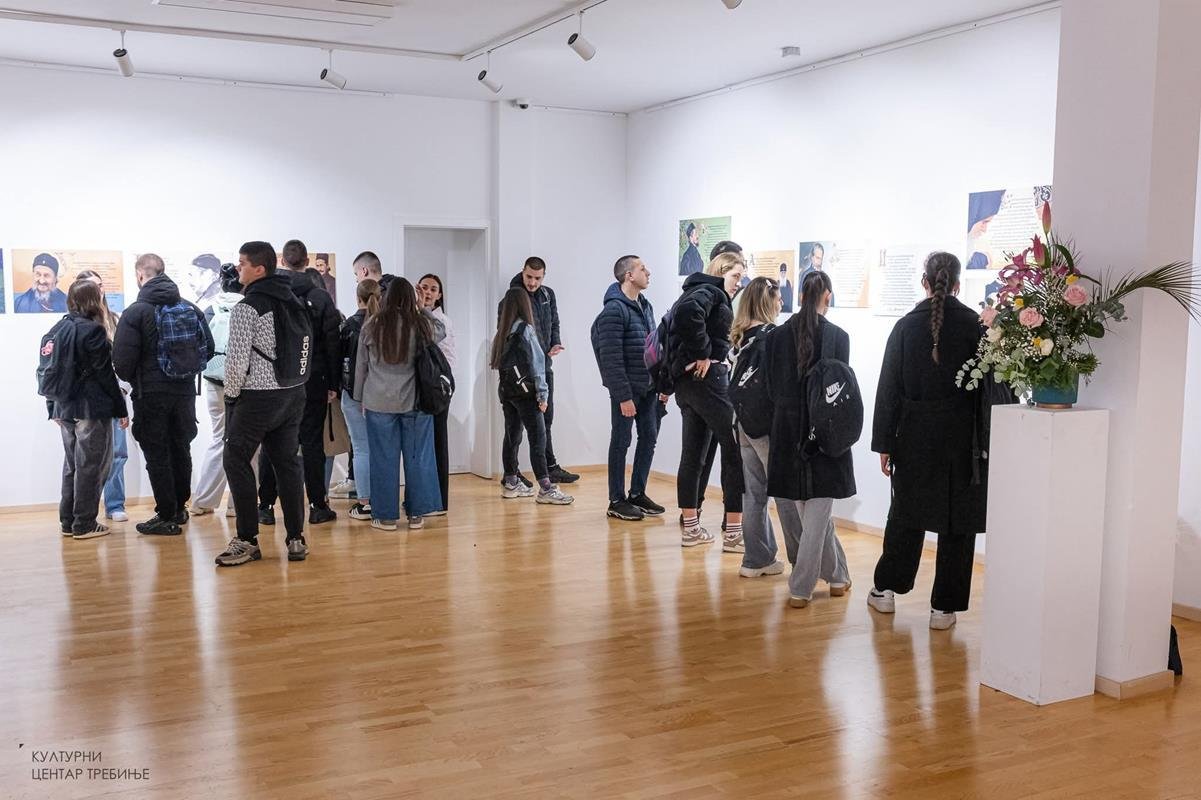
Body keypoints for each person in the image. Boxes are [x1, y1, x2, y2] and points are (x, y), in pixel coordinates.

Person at [869, 252, 989, 630]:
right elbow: (989, 391)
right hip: (963, 441)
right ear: (957, 284)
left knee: (906, 515)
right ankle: (943, 609)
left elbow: (888, 389)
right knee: (957, 522)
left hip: (913, 438)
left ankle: (886, 590)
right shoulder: (976, 326)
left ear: (925, 282)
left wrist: (884, 443)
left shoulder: (905, 327)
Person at [215, 241, 312, 566]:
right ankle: (296, 538)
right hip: (293, 393)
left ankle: (247, 539)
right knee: (287, 464)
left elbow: (236, 361)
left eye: (242, 263)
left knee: (235, 459)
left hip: (257, 397)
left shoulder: (248, 307)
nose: (237, 268)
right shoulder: (293, 299)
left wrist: (231, 396)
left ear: (259, 269)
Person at [762, 271, 854, 607]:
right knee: (817, 513)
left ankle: (838, 576)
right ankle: (801, 586)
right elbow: (840, 390)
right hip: (825, 432)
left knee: (813, 512)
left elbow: (770, 388)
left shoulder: (774, 337)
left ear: (801, 295)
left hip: (787, 430)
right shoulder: (838, 337)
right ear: (827, 295)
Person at [113, 253, 214, 536]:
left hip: (150, 394)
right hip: (185, 393)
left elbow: (122, 362)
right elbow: (208, 346)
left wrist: (138, 377)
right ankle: (180, 508)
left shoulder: (135, 312)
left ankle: (166, 515)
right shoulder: (190, 307)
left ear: (140, 275)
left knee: (157, 453)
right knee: (181, 448)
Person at [257, 239, 341, 526]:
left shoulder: (270, 295)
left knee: (272, 443)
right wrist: (333, 383)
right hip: (312, 378)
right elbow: (332, 343)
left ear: (282, 261)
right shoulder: (320, 297)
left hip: (276, 380)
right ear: (307, 262)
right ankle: (317, 505)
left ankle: (266, 506)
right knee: (312, 443)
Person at [354, 278, 444, 531]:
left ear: (386, 297)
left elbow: (361, 366)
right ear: (411, 298)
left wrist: (360, 398)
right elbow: (441, 330)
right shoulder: (420, 324)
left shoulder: (372, 324)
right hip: (415, 403)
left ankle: (385, 517)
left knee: (383, 460)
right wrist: (423, 307)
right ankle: (416, 514)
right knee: (418, 459)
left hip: (378, 402)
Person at [670, 252, 746, 550]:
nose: (738, 283)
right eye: (735, 276)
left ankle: (691, 529)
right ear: (720, 271)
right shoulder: (710, 291)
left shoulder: (697, 289)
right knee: (735, 449)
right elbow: (688, 314)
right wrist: (703, 352)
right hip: (709, 380)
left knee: (693, 455)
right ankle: (734, 533)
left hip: (688, 383)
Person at [48, 280, 129, 539]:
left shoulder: (57, 328)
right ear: (94, 301)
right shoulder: (93, 331)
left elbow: (49, 371)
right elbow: (105, 375)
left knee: (72, 465)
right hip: (91, 409)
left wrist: (52, 407)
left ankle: (68, 521)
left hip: (64, 408)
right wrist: (121, 408)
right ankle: (84, 524)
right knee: (91, 466)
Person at [592, 255, 665, 521]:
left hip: (648, 388)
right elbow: (610, 358)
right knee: (621, 441)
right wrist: (623, 396)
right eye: (642, 268)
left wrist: (661, 384)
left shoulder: (645, 306)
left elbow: (653, 348)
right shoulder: (613, 311)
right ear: (629, 276)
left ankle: (637, 493)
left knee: (649, 437)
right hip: (627, 391)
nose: (648, 272)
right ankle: (616, 500)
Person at [499, 257, 578, 486]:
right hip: (520, 374)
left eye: (537, 278)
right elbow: (506, 336)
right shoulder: (512, 299)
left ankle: (549, 469)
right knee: (516, 428)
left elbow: (554, 323)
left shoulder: (547, 295)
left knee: (545, 421)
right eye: (529, 277)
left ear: (543, 277)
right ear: (522, 272)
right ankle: (514, 474)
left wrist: (555, 342)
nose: (532, 282)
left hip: (544, 367)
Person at [731, 277, 786, 578]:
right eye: (777, 298)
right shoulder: (772, 336)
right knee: (785, 494)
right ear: (767, 301)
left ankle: (755, 559)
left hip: (743, 422)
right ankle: (803, 562)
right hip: (766, 425)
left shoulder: (740, 336)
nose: (781, 303)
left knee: (753, 494)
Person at [74, 270, 129, 523]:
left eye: (100, 285)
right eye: (92, 286)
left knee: (117, 453)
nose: (99, 290)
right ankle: (85, 512)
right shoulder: (75, 324)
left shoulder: (115, 319)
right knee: (86, 457)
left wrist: (123, 389)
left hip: (114, 393)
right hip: (86, 400)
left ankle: (115, 503)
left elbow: (124, 359)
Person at [191, 264, 245, 516]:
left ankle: (203, 501)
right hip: (244, 384)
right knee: (246, 444)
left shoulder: (209, 310)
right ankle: (238, 504)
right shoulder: (250, 309)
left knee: (219, 439)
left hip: (214, 381)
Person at [339, 278, 381, 522]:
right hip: (382, 395)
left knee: (361, 448)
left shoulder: (348, 326)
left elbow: (340, 359)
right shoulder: (384, 325)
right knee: (382, 449)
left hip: (353, 394)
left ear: (358, 298)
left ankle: (365, 502)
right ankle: (382, 498)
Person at [418, 273, 455, 515]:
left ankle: (440, 500)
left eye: (433, 289)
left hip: (438, 389)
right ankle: (427, 497)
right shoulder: (418, 317)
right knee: (425, 444)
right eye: (424, 287)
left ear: (439, 295)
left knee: (438, 442)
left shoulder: (442, 321)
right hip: (424, 388)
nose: (428, 292)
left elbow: (449, 358)